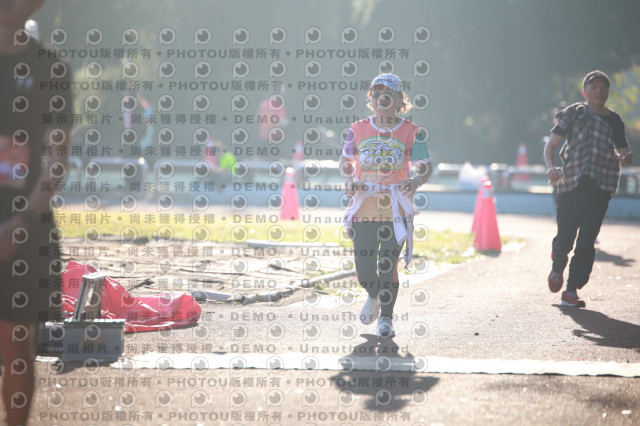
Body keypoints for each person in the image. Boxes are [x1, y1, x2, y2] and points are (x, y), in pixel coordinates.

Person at [0, 1, 73, 424]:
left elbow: (56, 162)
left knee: (16, 344)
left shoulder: (51, 69)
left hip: (26, 228)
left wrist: (22, 222)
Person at [339, 73, 432, 338]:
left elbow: (426, 166)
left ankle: (386, 319)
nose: (382, 99)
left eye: (388, 94)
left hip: (395, 210)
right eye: (377, 93)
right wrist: (349, 181)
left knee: (387, 265)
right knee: (364, 267)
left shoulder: (411, 132)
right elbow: (345, 162)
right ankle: (373, 295)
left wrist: (416, 180)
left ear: (400, 100)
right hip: (364, 208)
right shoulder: (357, 129)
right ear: (371, 99)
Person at [544, 70, 632, 307]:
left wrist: (626, 157)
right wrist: (550, 167)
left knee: (586, 241)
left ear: (608, 93)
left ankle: (571, 289)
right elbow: (550, 146)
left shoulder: (614, 121)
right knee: (565, 237)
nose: (598, 91)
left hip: (600, 187)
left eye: (603, 88)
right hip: (571, 184)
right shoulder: (574, 113)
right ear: (584, 92)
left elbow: (625, 153)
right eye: (593, 87)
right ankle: (557, 266)